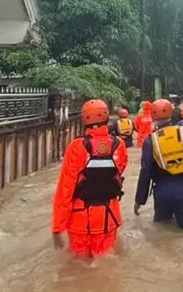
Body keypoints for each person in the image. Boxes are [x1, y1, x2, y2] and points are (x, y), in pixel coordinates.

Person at [51, 99, 128, 258]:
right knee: (105, 263)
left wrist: (58, 227)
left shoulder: (76, 146)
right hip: (109, 217)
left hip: (80, 220)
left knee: (78, 266)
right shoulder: (119, 144)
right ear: (107, 117)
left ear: (83, 119)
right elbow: (118, 171)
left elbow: (66, 188)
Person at [134, 99, 183, 229]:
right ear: (171, 114)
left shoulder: (150, 140)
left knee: (162, 229)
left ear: (152, 116)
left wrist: (139, 200)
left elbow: (145, 172)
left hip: (161, 191)